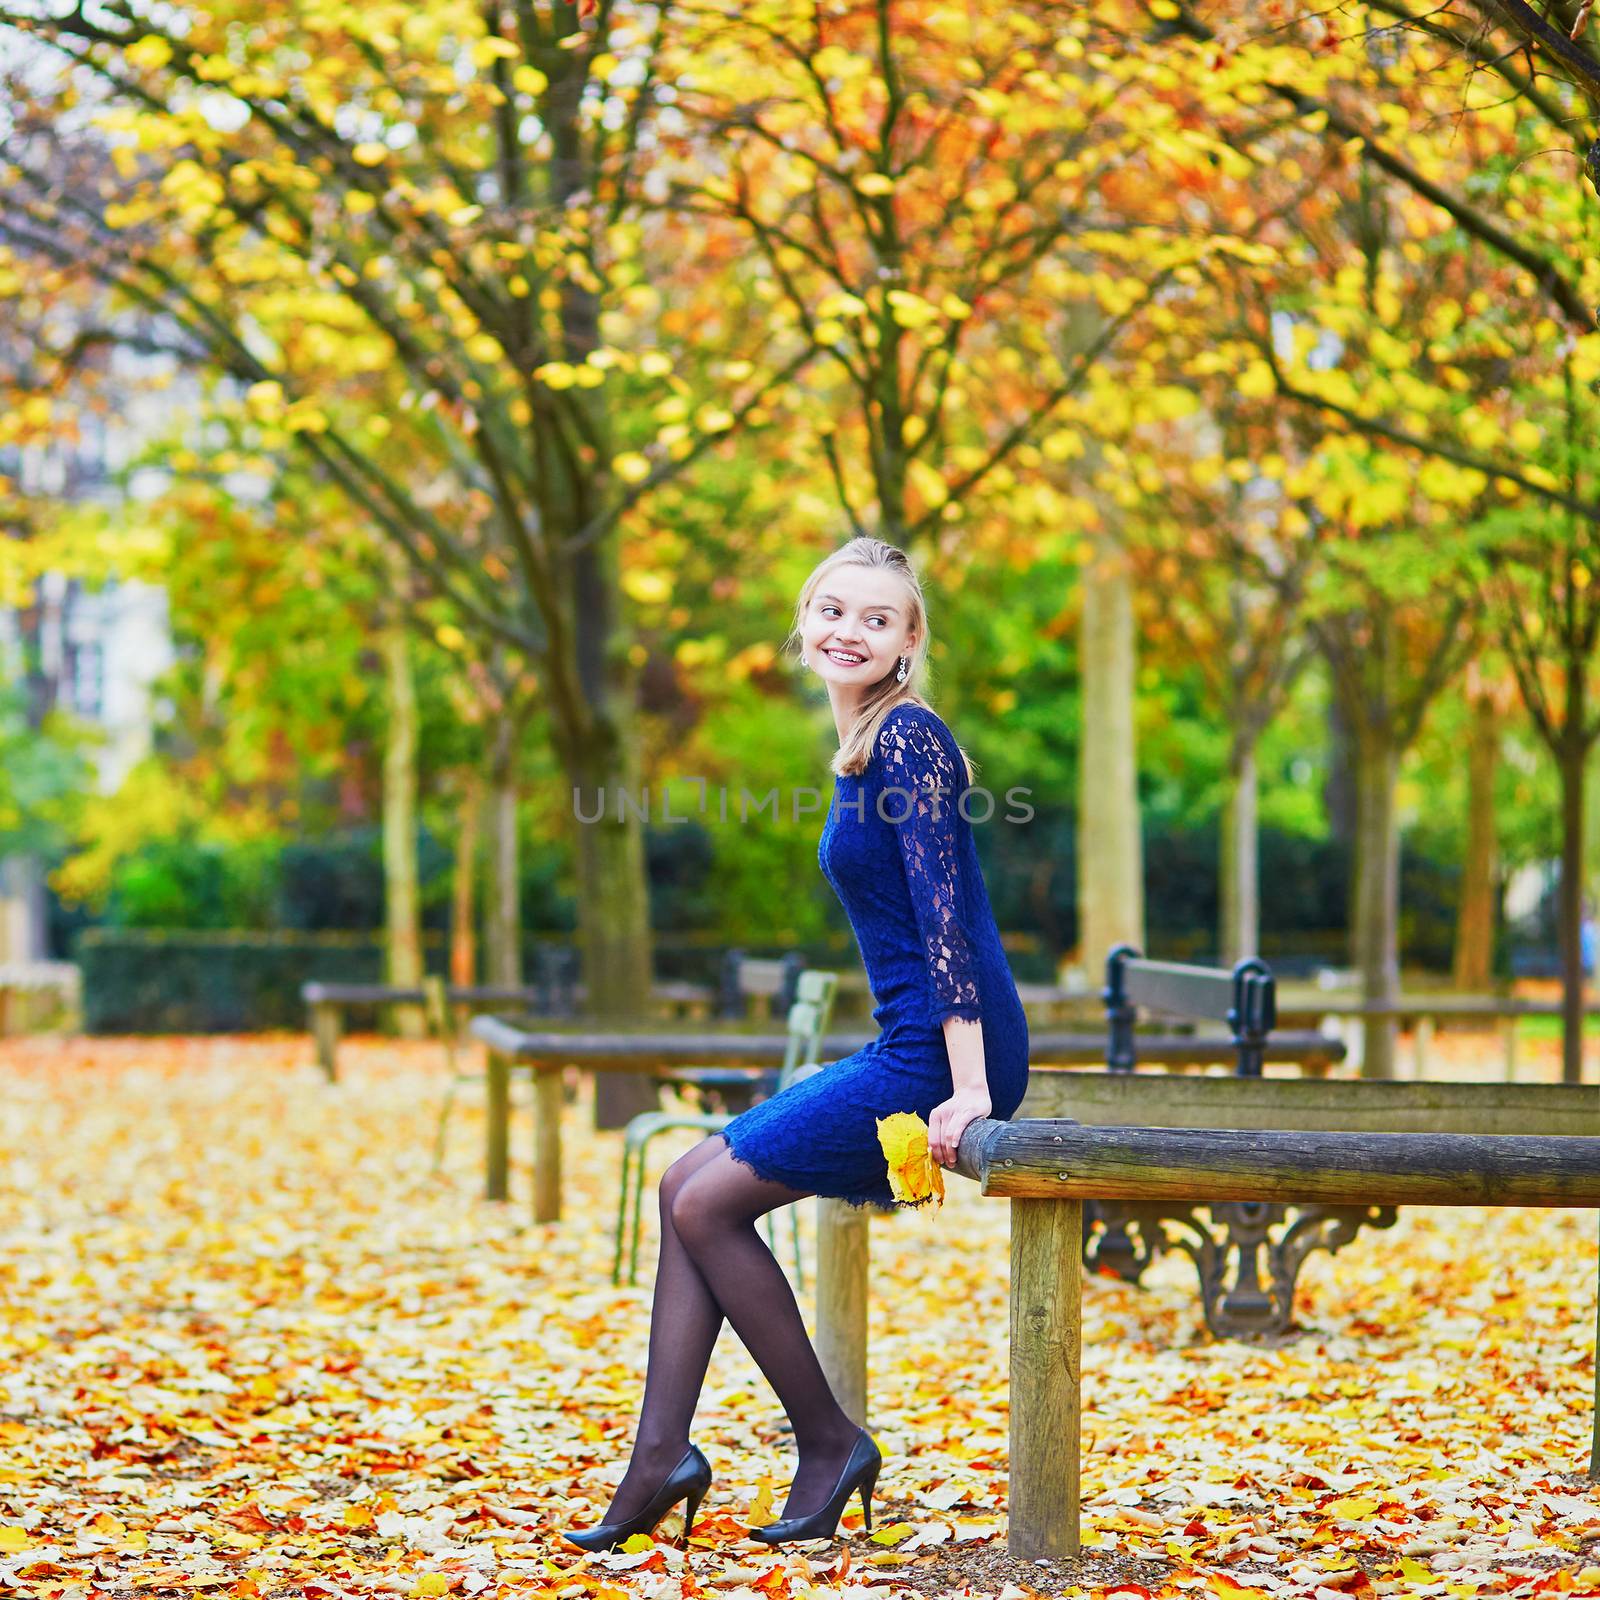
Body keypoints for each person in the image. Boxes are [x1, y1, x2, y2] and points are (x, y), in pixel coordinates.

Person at [562, 537, 1031, 1552]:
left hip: (938, 1054)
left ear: (910, 640)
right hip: (908, 1038)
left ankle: (823, 1441)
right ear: (803, 623)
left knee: (700, 1196)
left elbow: (947, 924)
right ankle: (663, 1457)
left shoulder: (909, 740)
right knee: (684, 1181)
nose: (845, 630)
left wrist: (970, 1089)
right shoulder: (861, 742)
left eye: (874, 617)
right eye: (830, 609)